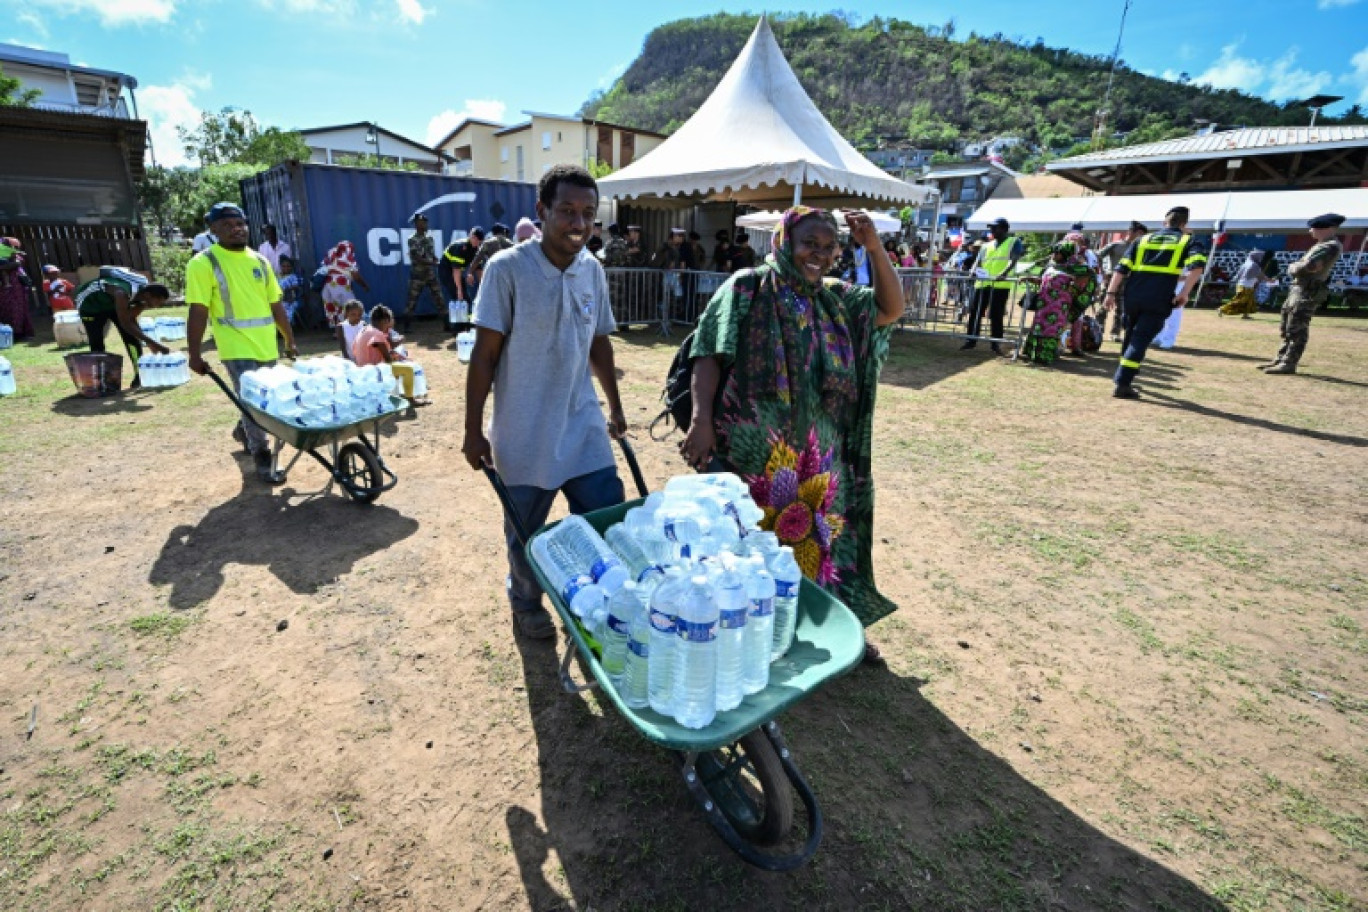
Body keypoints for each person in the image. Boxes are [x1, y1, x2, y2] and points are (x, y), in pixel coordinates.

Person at [679, 206, 903, 662]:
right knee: (751, 541)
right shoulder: (747, 286)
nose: (819, 255)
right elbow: (708, 353)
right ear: (785, 242)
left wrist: (874, 248)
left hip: (820, 457)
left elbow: (891, 308)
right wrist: (701, 422)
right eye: (809, 244)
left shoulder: (837, 299)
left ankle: (830, 626)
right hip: (754, 454)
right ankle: (748, 631)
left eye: (829, 246)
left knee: (821, 543)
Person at [462, 164, 626, 641]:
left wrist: (614, 407)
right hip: (524, 431)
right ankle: (526, 602)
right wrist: (473, 430)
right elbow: (485, 356)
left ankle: (599, 602)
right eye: (567, 212)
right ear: (542, 212)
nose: (579, 224)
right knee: (526, 532)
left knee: (606, 519)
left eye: (588, 215)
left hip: (583, 427)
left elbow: (600, 344)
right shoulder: (507, 269)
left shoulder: (591, 269)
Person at [186, 202, 298, 483]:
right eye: (227, 226)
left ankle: (243, 431)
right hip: (235, 346)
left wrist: (289, 339)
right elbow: (198, 311)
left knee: (264, 400)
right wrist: (194, 353)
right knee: (252, 401)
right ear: (213, 230)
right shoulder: (203, 263)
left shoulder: (259, 261)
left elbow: (276, 305)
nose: (236, 230)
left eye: (240, 224)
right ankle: (261, 455)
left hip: (266, 345)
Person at [1102, 206, 1206, 399]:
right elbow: (1197, 266)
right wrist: (1184, 293)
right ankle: (1123, 383)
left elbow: (1120, 269)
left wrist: (1110, 293)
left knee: (1131, 336)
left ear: (1164, 222)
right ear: (1184, 224)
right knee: (1140, 340)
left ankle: (1126, 373)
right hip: (1159, 297)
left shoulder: (1143, 239)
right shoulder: (1188, 241)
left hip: (1132, 295)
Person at [1262, 213, 1345, 375]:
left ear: (1326, 229)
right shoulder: (1321, 245)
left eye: (1313, 228)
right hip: (1299, 288)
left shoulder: (1329, 246)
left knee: (1297, 327)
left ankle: (1289, 363)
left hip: (1308, 290)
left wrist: (1293, 267)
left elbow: (1309, 266)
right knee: (1287, 324)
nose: (1310, 231)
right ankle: (1281, 358)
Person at [73, 267, 171, 386]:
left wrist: (148, 342)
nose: (157, 306)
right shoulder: (121, 293)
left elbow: (131, 321)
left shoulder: (144, 298)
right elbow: (125, 324)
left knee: (132, 339)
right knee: (97, 342)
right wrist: (153, 343)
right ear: (148, 295)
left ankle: (139, 374)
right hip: (91, 305)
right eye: (158, 302)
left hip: (113, 305)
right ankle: (101, 381)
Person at [1020, 241, 1092, 366]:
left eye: (1057, 253)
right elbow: (1044, 281)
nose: (1053, 255)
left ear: (1065, 254)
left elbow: (1086, 283)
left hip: (1058, 308)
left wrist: (1073, 287)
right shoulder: (1051, 267)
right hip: (1043, 306)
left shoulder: (1076, 269)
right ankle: (1032, 353)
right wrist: (1029, 279)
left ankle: (1045, 356)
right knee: (1038, 328)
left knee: (1051, 330)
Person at [962, 217, 1022, 354]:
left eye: (995, 228)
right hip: (982, 283)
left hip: (1000, 285)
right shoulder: (986, 245)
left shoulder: (1014, 242)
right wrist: (973, 271)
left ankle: (996, 343)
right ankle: (970, 340)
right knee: (975, 312)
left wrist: (1004, 273)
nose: (992, 230)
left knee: (996, 314)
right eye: (991, 228)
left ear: (1004, 229)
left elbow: (1013, 259)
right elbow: (978, 261)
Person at [353, 304, 427, 405]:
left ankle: (396, 395)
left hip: (362, 368)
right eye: (388, 322)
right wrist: (396, 358)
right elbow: (388, 359)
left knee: (397, 367)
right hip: (373, 369)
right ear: (384, 321)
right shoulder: (376, 333)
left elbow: (358, 349)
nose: (388, 326)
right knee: (408, 370)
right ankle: (410, 400)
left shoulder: (363, 330)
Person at [1099, 222, 1146, 342]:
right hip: (1111, 278)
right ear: (1131, 232)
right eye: (1140, 233)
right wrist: (1102, 272)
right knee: (1104, 303)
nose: (1141, 236)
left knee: (1121, 308)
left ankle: (1115, 333)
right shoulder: (1115, 245)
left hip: (1127, 279)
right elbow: (1098, 256)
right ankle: (1099, 329)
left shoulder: (1139, 248)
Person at [402, 214, 442, 331]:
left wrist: (435, 259)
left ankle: (447, 324)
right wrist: (432, 263)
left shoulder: (430, 238)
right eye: (422, 222)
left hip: (430, 273)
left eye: (425, 222)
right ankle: (406, 326)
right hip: (417, 275)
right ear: (416, 224)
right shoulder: (412, 239)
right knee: (411, 301)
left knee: (439, 298)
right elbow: (416, 257)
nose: (424, 224)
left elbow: (431, 253)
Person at [441, 227, 483, 331]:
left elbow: (479, 270)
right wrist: (459, 289)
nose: (477, 243)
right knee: (460, 296)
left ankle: (456, 325)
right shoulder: (461, 247)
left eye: (479, 241)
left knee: (464, 298)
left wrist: (483, 286)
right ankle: (458, 328)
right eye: (475, 239)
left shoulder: (477, 249)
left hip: (457, 272)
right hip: (446, 271)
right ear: (471, 237)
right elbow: (456, 270)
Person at [320, 240, 369, 328]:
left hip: (326, 286)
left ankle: (337, 332)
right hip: (339, 284)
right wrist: (364, 285)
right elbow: (355, 275)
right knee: (352, 306)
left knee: (334, 309)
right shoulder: (347, 257)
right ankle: (360, 327)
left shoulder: (330, 256)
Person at [0, 238, 35, 340]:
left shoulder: (16, 257)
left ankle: (20, 333)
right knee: (6, 310)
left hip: (17, 289)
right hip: (4, 290)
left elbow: (15, 264)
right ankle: (8, 333)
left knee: (19, 310)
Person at [1219, 251, 1267, 318]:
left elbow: (1239, 274)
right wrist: (1267, 279)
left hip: (1246, 285)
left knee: (1249, 302)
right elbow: (1257, 274)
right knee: (1239, 300)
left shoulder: (1247, 263)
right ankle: (1222, 309)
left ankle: (1245, 315)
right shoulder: (1253, 265)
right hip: (1245, 286)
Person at [276, 256, 304, 328]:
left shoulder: (293, 277)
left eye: (288, 266)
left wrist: (285, 290)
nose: (286, 268)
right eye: (284, 266)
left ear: (292, 267)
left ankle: (284, 328)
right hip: (278, 299)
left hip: (290, 300)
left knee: (286, 311)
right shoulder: (277, 276)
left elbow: (296, 286)